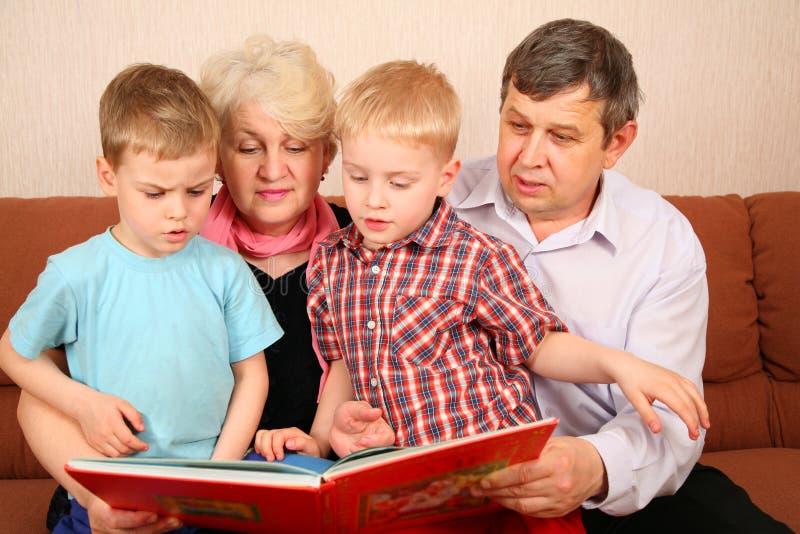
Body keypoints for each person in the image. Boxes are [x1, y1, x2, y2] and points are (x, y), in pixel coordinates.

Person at [255, 60, 710, 533]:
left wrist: (618, 364)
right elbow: (344, 365)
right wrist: (318, 442)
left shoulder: (474, 254)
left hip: (506, 484)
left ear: (444, 179)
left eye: (399, 183)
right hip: (408, 487)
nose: (374, 200)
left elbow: (539, 344)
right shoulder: (330, 260)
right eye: (358, 177)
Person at [443, 18, 789, 533]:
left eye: (561, 136)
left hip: (608, 481)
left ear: (616, 142)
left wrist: (592, 466)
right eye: (517, 126)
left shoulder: (663, 241)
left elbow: (672, 419)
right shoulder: (437, 200)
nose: (529, 157)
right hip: (465, 480)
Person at [17, 35, 350, 534]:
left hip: (277, 476)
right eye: (248, 147)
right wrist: (99, 488)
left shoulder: (366, 249)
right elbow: (31, 384)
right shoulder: (150, 250)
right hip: (146, 478)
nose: (272, 169)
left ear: (327, 157)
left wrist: (317, 443)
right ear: (216, 157)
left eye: (296, 146)